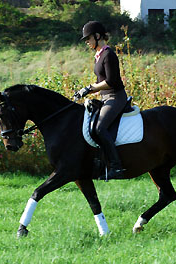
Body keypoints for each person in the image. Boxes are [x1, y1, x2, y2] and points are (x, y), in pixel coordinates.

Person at [75, 21, 127, 180]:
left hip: (115, 97)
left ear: (98, 36)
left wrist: (89, 88)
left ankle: (117, 167)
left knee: (99, 128)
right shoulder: (98, 56)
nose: (87, 42)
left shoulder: (108, 54)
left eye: (88, 38)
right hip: (105, 97)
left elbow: (111, 81)